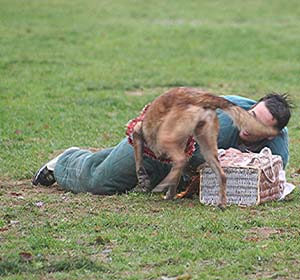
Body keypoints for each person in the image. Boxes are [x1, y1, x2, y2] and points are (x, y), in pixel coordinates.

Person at [32, 91, 291, 195]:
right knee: (101, 183)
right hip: (153, 145)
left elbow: (272, 187)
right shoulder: (222, 116)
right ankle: (66, 161)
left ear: (271, 134)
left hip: (181, 167)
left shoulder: (277, 151)